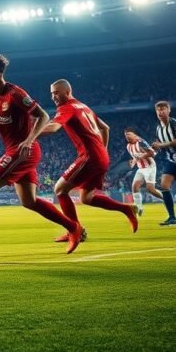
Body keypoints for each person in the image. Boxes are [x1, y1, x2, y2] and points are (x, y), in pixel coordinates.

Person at [0, 55, 83, 260]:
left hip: (24, 151)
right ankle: (73, 227)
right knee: (29, 201)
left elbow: (43, 116)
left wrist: (30, 139)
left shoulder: (15, 94)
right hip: (15, 151)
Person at [38, 79, 138, 237]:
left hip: (90, 157)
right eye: (51, 94)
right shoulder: (83, 106)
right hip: (100, 157)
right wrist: (103, 150)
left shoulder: (67, 107)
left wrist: (29, 134)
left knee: (60, 190)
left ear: (67, 92)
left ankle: (75, 231)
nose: (53, 97)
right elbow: (105, 128)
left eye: (56, 93)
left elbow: (53, 127)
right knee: (86, 197)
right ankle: (126, 208)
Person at [124, 128, 161, 216]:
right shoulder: (128, 146)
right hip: (140, 168)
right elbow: (135, 156)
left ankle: (166, 198)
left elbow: (152, 153)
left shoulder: (140, 142)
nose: (127, 136)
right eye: (126, 135)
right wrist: (133, 162)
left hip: (150, 167)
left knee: (150, 189)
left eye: (129, 134)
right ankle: (139, 208)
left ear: (134, 135)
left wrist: (142, 155)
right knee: (134, 187)